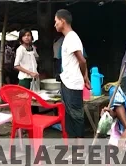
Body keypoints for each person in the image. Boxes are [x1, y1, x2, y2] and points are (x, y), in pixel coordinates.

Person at [54, 9, 91, 138]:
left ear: (63, 21)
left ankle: (79, 151)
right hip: (67, 82)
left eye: (56, 21)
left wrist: (85, 77)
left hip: (73, 84)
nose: (55, 25)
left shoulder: (72, 37)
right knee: (70, 117)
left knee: (77, 117)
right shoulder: (68, 38)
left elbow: (82, 60)